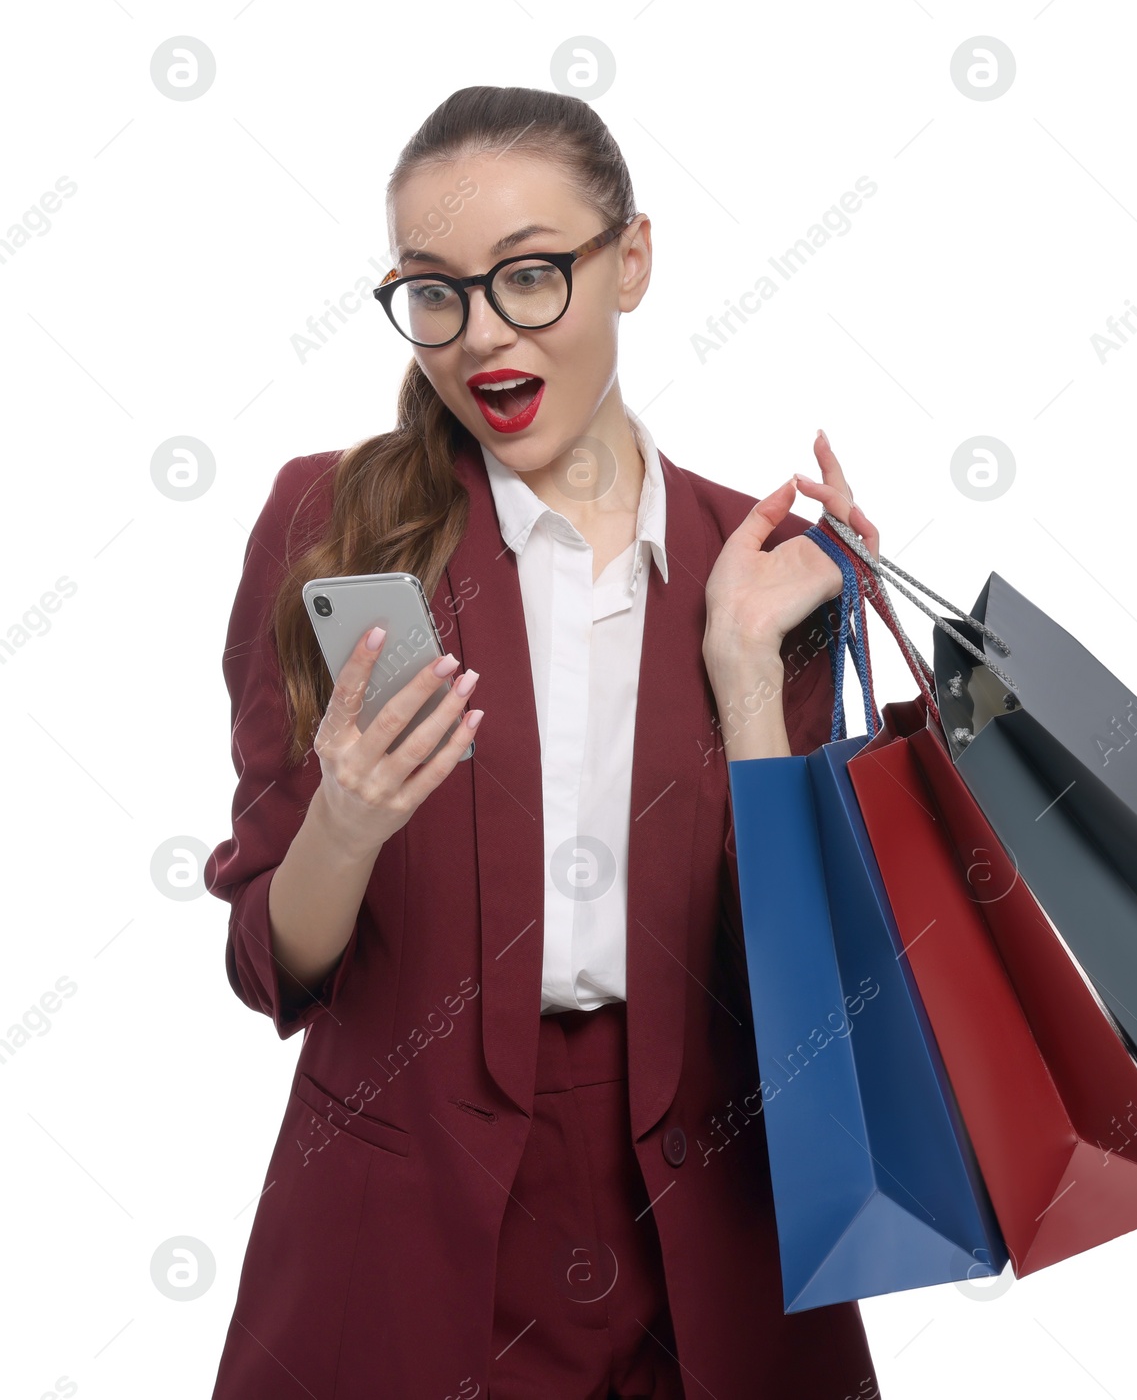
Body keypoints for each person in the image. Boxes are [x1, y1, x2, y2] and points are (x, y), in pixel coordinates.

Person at [203, 85, 884, 1400]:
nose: (479, 336)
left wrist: (752, 679)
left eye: (530, 276)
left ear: (630, 259)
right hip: (409, 1219)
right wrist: (343, 825)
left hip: (715, 1210)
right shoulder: (330, 528)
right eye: (437, 292)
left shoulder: (767, 569)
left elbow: (813, 997)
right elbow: (265, 964)